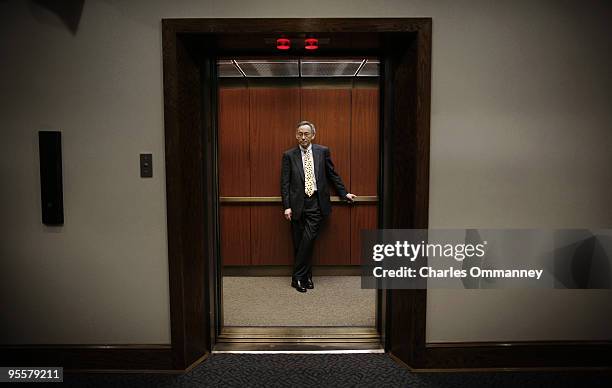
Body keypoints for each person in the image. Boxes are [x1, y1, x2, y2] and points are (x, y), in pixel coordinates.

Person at [280, 121, 357, 293]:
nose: (303, 137)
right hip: (296, 205)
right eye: (300, 133)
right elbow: (285, 183)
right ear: (296, 135)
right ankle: (306, 276)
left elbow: (332, 174)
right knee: (300, 243)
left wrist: (344, 193)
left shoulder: (322, 151)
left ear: (313, 135)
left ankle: (296, 278)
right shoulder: (289, 155)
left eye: (306, 134)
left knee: (308, 240)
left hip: (316, 203)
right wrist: (286, 206)